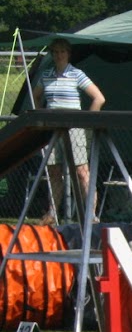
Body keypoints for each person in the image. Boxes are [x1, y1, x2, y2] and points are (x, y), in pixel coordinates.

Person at [32, 38, 105, 225]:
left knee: (81, 171)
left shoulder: (76, 74)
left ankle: (91, 214)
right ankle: (53, 213)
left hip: (74, 126)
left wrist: (88, 121)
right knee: (54, 171)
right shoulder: (46, 74)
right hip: (52, 128)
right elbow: (36, 97)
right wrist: (41, 117)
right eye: (55, 52)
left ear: (68, 54)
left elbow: (98, 98)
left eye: (62, 52)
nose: (58, 55)